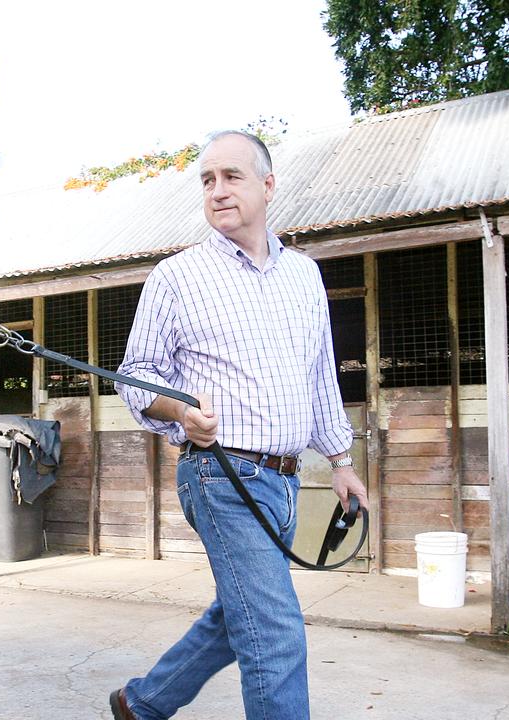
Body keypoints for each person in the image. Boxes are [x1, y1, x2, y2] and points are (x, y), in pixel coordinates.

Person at [110, 130, 367, 720]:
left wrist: (343, 462)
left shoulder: (304, 276)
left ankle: (142, 702)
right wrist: (179, 411)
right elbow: (135, 376)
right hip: (219, 476)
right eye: (207, 180)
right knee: (275, 634)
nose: (218, 191)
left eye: (232, 177)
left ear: (268, 186)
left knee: (241, 614)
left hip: (286, 482)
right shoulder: (176, 277)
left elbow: (319, 375)